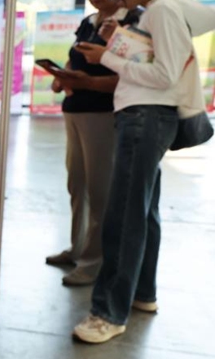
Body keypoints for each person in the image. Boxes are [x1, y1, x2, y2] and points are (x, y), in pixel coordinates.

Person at [71, 0, 205, 343]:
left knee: (125, 214)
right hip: (144, 118)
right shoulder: (157, 13)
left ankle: (108, 313)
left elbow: (164, 75)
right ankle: (142, 292)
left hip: (146, 117)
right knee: (143, 211)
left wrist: (107, 57)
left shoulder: (162, 11)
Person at [44, 1, 141, 287]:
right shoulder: (90, 21)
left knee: (100, 191)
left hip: (103, 113)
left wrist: (88, 83)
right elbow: (74, 58)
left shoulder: (133, 21)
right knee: (77, 184)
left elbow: (131, 74)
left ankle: (92, 261)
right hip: (74, 109)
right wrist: (62, 77)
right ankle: (77, 248)